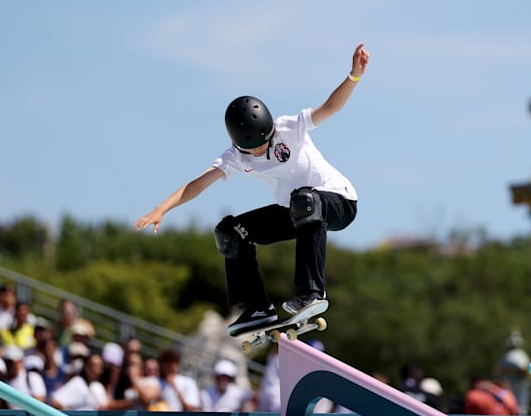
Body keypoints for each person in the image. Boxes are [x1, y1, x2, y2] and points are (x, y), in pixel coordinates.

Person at [135, 44, 370, 336]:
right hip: (297, 212)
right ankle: (255, 307)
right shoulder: (235, 156)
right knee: (230, 232)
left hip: (338, 202)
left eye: (265, 143)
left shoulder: (288, 128)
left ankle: (312, 292)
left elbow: (330, 107)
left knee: (305, 200)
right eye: (254, 150)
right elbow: (198, 184)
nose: (261, 151)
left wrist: (353, 76)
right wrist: (161, 209)